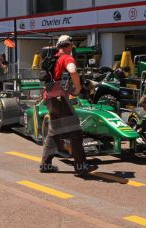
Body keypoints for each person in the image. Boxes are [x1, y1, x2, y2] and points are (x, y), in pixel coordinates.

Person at [40, 35, 97, 177]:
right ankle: (80, 166)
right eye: (72, 46)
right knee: (76, 132)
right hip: (61, 100)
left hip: (49, 99)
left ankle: (45, 164)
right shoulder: (66, 58)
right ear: (69, 45)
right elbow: (72, 71)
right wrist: (77, 89)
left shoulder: (53, 58)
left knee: (54, 132)